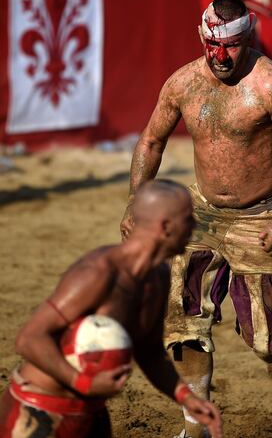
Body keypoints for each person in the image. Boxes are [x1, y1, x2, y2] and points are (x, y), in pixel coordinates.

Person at [121, 0, 272, 438]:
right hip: (202, 213)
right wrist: (137, 201)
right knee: (182, 316)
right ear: (202, 37)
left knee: (271, 342)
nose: (221, 57)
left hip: (265, 215)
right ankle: (195, 426)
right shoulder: (183, 83)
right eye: (214, 45)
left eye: (231, 47)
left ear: (247, 38)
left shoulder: (270, 85)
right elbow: (151, 141)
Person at [0, 180, 222, 438]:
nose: (194, 227)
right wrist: (83, 383)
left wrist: (188, 399)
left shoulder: (159, 276)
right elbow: (29, 339)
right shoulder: (99, 272)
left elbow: (149, 353)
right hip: (38, 411)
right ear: (165, 227)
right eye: (188, 220)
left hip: (91, 412)